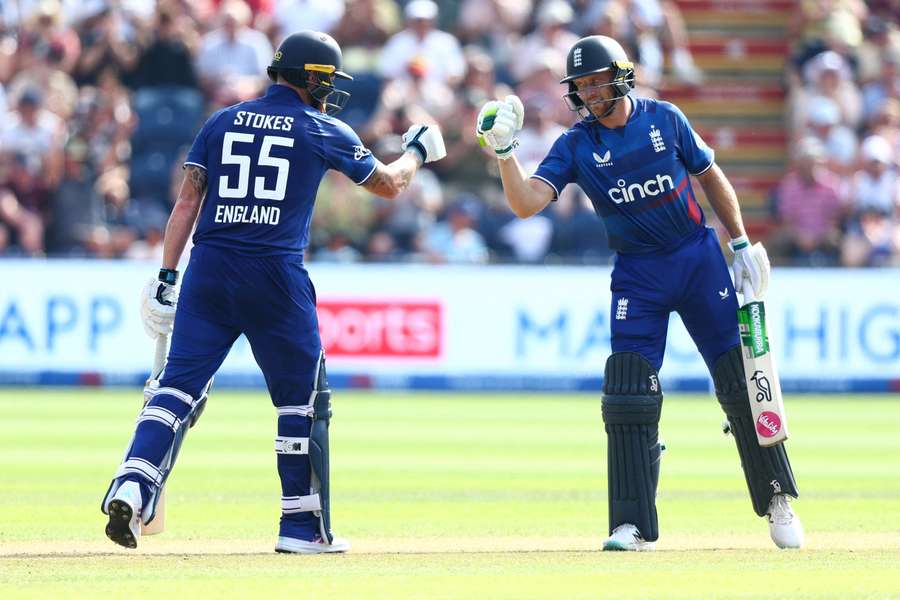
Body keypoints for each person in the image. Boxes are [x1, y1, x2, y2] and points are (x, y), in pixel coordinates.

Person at [101, 30, 446, 554]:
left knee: (177, 387)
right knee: (300, 402)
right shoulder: (321, 126)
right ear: (313, 79)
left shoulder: (222, 120)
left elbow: (186, 204)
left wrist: (168, 275)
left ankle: (133, 482)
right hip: (274, 273)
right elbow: (387, 184)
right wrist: (417, 151)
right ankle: (301, 528)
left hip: (208, 268)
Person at [475, 35, 803, 551]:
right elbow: (524, 204)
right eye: (580, 85)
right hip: (638, 275)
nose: (588, 92)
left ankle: (777, 497)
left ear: (620, 76)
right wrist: (504, 153)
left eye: (595, 82)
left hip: (697, 260)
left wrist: (738, 242)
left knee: (740, 383)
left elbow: (710, 175)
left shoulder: (665, 118)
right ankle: (632, 526)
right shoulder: (577, 144)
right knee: (628, 394)